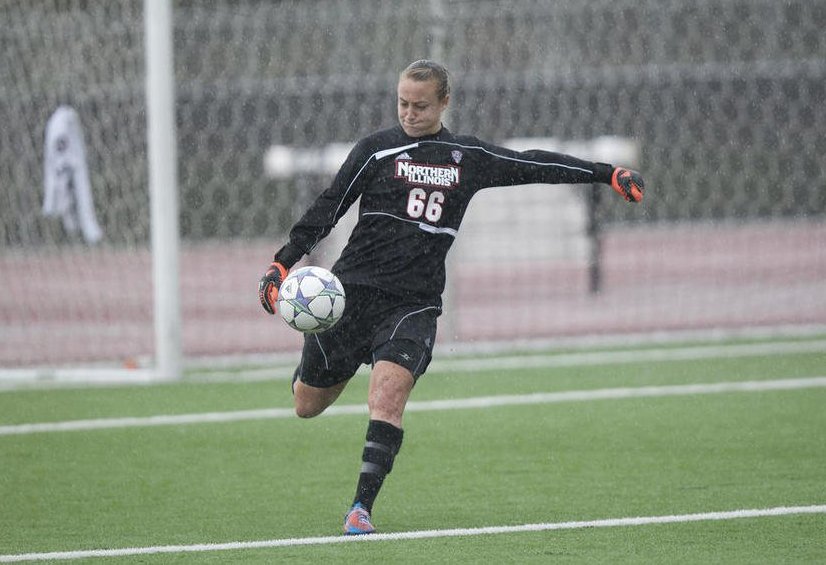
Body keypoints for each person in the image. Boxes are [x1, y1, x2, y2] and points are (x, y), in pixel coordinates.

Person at [258, 59, 644, 535]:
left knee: (387, 395)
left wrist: (607, 174)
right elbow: (328, 207)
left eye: (421, 105)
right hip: (349, 298)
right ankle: (316, 368)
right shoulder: (376, 151)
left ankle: (361, 509)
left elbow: (533, 163)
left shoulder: (466, 158)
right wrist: (282, 262)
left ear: (444, 103)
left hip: (412, 305)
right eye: (402, 103)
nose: (409, 113)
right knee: (307, 405)